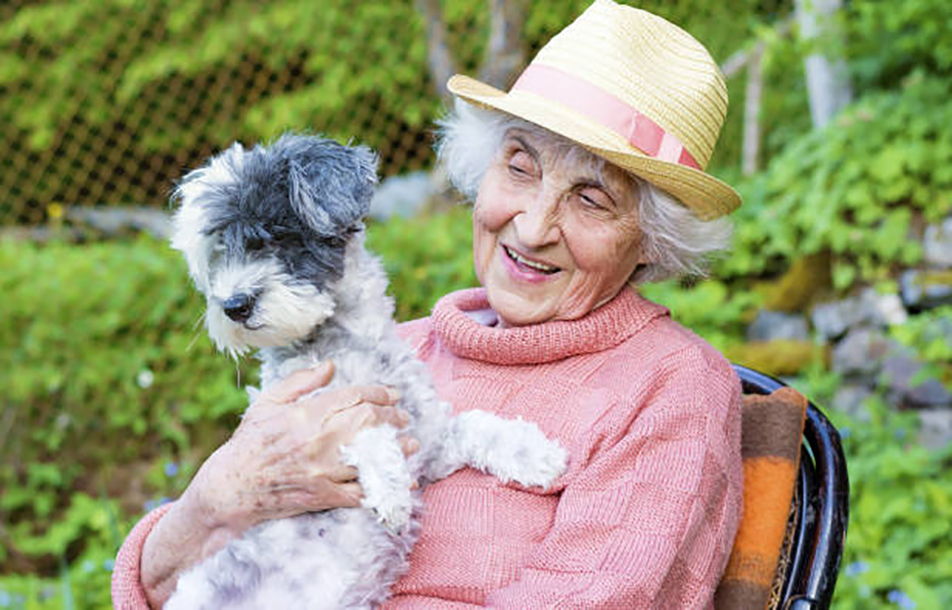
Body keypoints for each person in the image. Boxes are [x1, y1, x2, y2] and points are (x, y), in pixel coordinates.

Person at [113, 0, 745, 607]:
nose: (531, 227)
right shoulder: (391, 351)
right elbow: (177, 584)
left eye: (592, 199)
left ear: (651, 243)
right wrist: (214, 501)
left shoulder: (671, 387)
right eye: (520, 168)